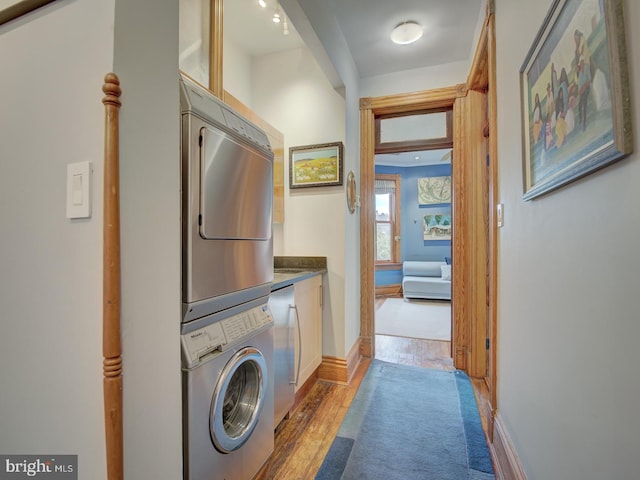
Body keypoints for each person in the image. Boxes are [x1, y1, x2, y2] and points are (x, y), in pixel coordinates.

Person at [577, 55, 591, 132]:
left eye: (582, 61)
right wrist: (580, 90)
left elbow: (589, 80)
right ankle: (580, 122)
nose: (582, 63)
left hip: (586, 89)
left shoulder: (586, 67)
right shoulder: (580, 73)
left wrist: (583, 88)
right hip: (582, 91)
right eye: (581, 62)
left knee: (584, 105)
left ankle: (584, 124)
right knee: (580, 105)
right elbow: (579, 84)